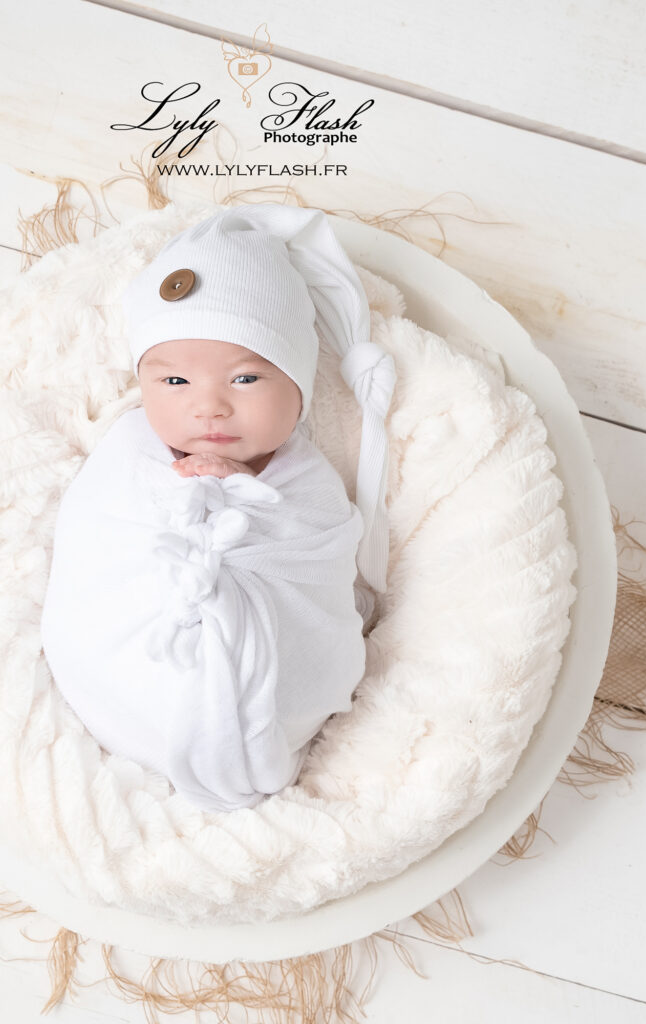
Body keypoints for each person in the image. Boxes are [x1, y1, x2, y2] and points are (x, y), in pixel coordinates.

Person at [40, 204, 396, 811]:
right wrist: (184, 500)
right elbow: (94, 549)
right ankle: (153, 717)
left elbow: (324, 566)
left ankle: (243, 738)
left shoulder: (310, 482)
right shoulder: (127, 453)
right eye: (174, 383)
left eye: (246, 380)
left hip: (276, 686)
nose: (209, 407)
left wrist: (246, 502)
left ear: (299, 386)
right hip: (127, 676)